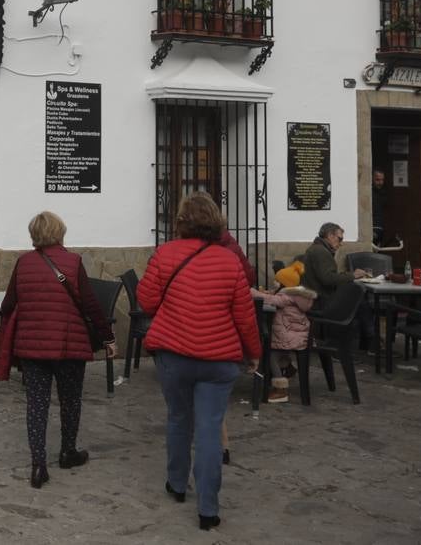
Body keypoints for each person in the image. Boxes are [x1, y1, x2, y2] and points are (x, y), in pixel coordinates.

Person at [137, 192, 261, 532]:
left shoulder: (165, 254)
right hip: (219, 359)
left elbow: (146, 301)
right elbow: (245, 317)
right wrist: (253, 353)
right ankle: (208, 509)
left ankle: (177, 484)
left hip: (174, 355)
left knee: (179, 418)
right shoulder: (229, 261)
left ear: (181, 221)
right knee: (209, 428)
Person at [0, 211, 115, 489]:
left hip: (32, 347)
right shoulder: (73, 262)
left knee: (36, 404)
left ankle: (38, 466)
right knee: (70, 400)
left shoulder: (23, 264)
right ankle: (67, 452)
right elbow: (90, 305)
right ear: (60, 232)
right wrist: (108, 338)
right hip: (69, 346)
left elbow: (8, 304)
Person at [251, 261, 316, 404]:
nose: (274, 282)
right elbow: (275, 297)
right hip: (295, 335)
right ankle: (289, 368)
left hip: (288, 335)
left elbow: (272, 300)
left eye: (277, 280)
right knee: (279, 353)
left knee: (270, 355)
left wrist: (252, 291)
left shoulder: (286, 297)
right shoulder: (296, 295)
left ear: (284, 284)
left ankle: (281, 390)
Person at [301, 222, 374, 347]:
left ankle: (364, 342)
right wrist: (353, 275)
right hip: (321, 302)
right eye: (340, 239)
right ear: (330, 235)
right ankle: (369, 342)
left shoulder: (316, 248)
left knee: (358, 300)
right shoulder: (321, 252)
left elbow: (327, 276)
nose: (341, 243)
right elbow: (328, 279)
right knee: (360, 300)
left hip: (316, 298)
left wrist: (347, 275)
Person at [370, 169, 389, 246]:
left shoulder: (383, 193)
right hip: (373, 229)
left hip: (380, 228)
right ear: (371, 178)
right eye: (377, 180)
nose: (380, 182)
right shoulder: (369, 192)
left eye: (382, 180)